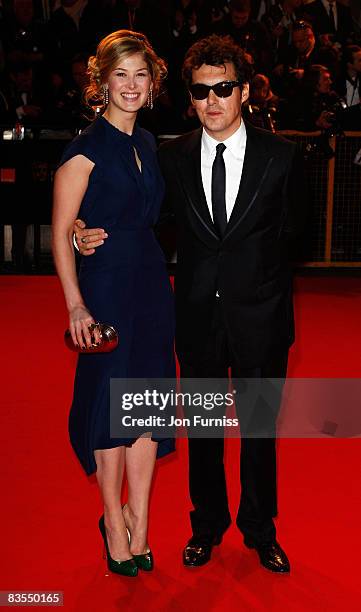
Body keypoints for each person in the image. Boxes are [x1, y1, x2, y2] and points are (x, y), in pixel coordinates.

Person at [74, 34, 304, 574]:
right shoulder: (170, 156)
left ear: (244, 91)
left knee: (258, 433)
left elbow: (294, 236)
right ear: (190, 99)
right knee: (203, 433)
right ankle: (207, 527)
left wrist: (260, 292)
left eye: (224, 88)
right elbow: (135, 212)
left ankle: (260, 529)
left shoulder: (282, 156)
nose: (213, 101)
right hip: (197, 318)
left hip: (262, 320)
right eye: (201, 92)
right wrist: (83, 229)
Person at [52, 29, 175, 578]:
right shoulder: (85, 148)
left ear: (152, 85)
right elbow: (59, 233)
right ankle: (111, 520)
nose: (130, 85)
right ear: (100, 83)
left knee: (146, 406)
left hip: (151, 284)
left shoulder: (148, 144)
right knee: (110, 411)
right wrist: (76, 305)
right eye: (119, 74)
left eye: (139, 75)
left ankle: (140, 524)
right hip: (105, 288)